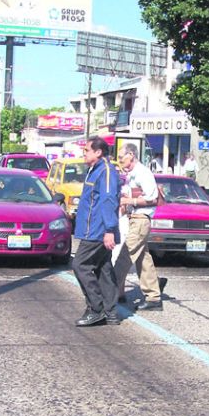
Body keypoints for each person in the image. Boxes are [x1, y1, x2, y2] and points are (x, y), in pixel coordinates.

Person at [72, 137, 122, 326]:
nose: (84, 153)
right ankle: (111, 312)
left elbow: (108, 200)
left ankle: (96, 308)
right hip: (91, 229)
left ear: (98, 152)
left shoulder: (106, 171)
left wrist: (109, 230)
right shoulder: (94, 170)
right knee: (103, 269)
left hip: (98, 230)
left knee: (80, 265)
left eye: (87, 150)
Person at [113, 143, 166, 311]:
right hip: (134, 218)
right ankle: (153, 297)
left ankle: (109, 292)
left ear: (131, 155)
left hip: (141, 219)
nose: (120, 160)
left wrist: (128, 201)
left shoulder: (142, 173)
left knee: (125, 255)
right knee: (143, 259)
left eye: (121, 157)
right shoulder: (131, 174)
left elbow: (152, 197)